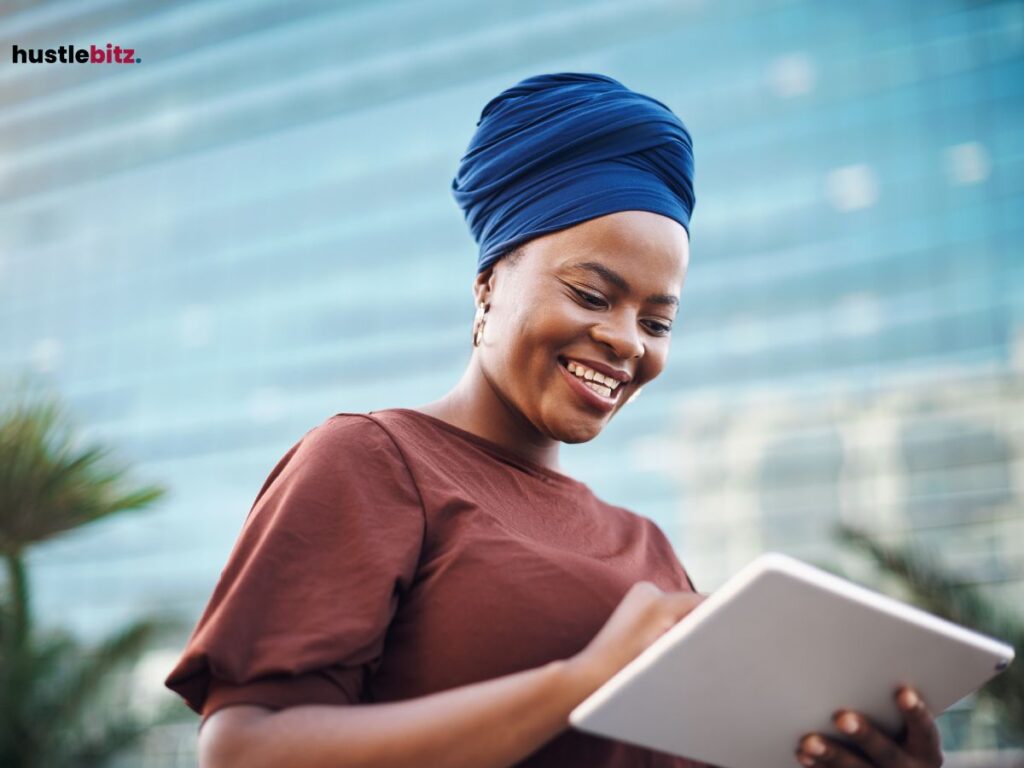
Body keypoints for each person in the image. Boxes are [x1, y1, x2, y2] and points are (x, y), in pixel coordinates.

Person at [164, 73, 945, 768]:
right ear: (488, 285)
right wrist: (581, 682)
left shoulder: (652, 552)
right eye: (592, 294)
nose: (625, 341)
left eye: (659, 321)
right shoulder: (376, 460)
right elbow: (246, 748)